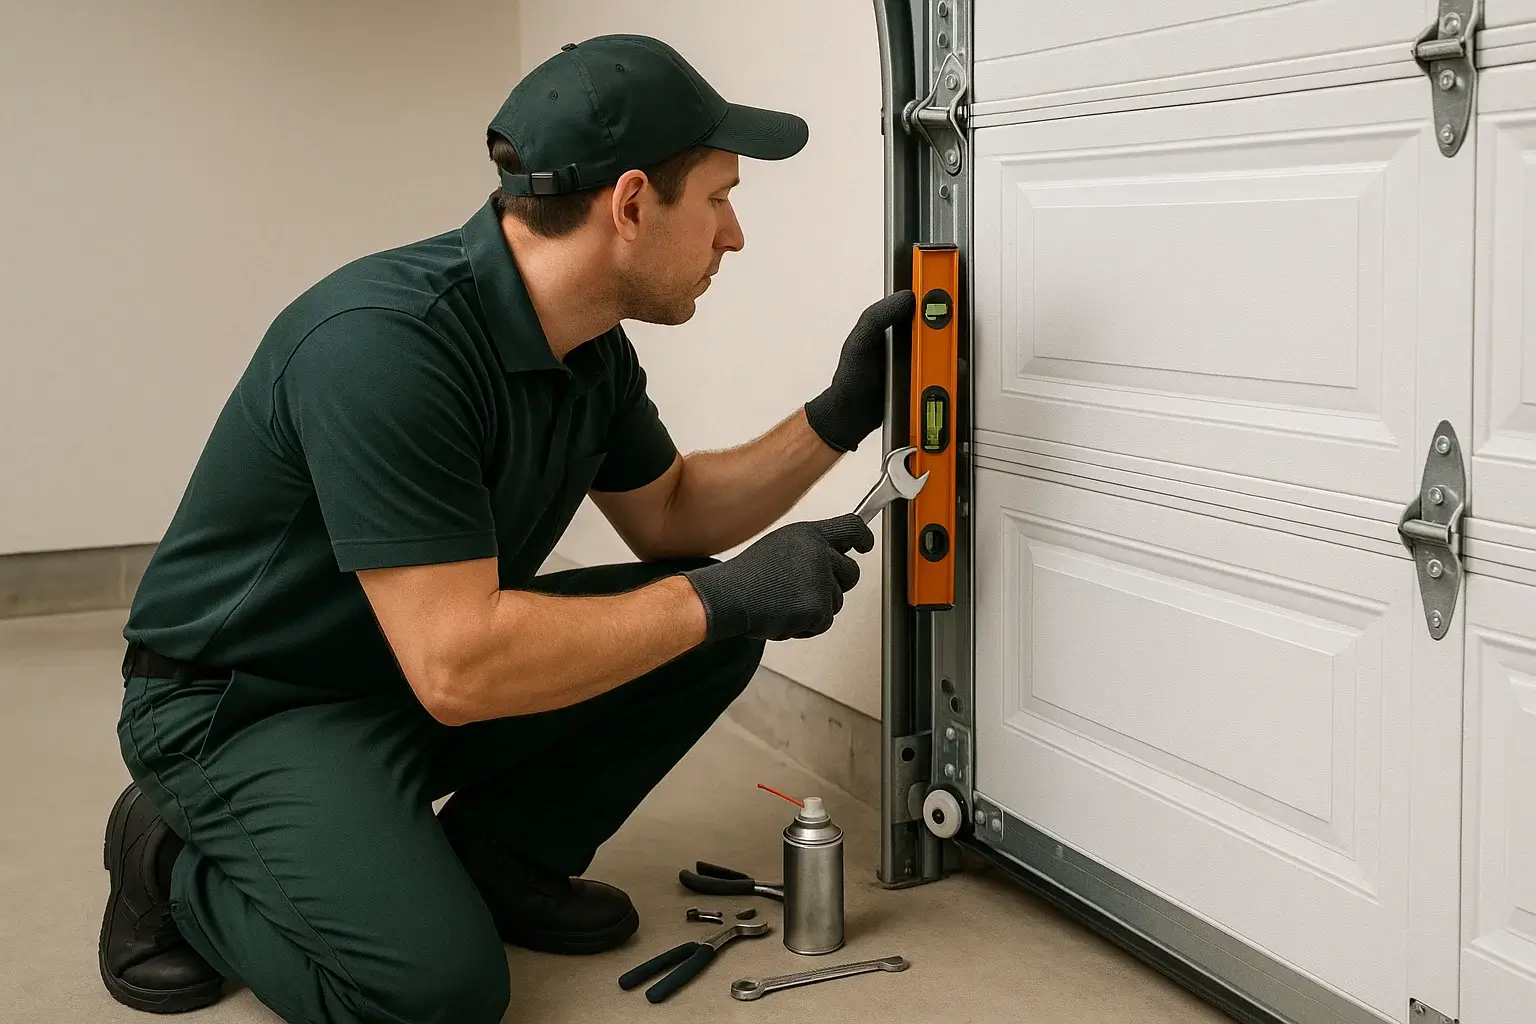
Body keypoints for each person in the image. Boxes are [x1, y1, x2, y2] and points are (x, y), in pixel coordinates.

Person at [98, 32, 914, 1024]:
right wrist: (720, 594)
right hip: (243, 708)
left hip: (398, 671)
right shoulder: (387, 348)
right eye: (718, 199)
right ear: (630, 204)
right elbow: (458, 668)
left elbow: (671, 514)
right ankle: (172, 861)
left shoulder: (586, 346)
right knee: (435, 996)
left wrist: (838, 415)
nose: (732, 236)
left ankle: (503, 854)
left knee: (711, 619)